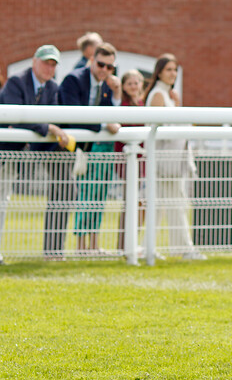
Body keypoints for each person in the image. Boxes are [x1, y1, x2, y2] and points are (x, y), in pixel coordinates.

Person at [0, 45, 72, 263]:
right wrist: (47, 127)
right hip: (4, 150)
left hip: (17, 155)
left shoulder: (52, 88)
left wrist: (47, 126)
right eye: (46, 62)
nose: (49, 68)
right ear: (34, 61)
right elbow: (17, 115)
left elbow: (51, 118)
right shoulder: (16, 82)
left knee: (3, 200)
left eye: (53, 64)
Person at [59, 42, 122, 255]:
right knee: (84, 196)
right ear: (92, 61)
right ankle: (80, 247)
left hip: (100, 150)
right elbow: (73, 115)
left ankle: (94, 245)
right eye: (101, 65)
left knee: (99, 196)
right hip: (76, 150)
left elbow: (114, 114)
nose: (105, 70)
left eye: (110, 67)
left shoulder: (108, 85)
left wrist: (116, 93)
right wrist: (104, 125)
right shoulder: (74, 79)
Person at [145, 54, 205, 260]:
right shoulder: (158, 95)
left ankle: (153, 249)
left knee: (168, 205)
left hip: (174, 159)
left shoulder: (170, 95)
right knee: (172, 204)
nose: (173, 74)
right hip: (164, 160)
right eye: (169, 69)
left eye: (175, 70)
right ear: (159, 71)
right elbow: (158, 128)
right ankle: (182, 248)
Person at [115, 70, 146, 252]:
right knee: (129, 202)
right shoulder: (123, 105)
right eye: (130, 83)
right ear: (124, 86)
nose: (134, 86)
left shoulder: (142, 105)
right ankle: (123, 244)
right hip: (126, 160)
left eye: (137, 83)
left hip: (141, 160)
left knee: (140, 203)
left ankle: (132, 241)